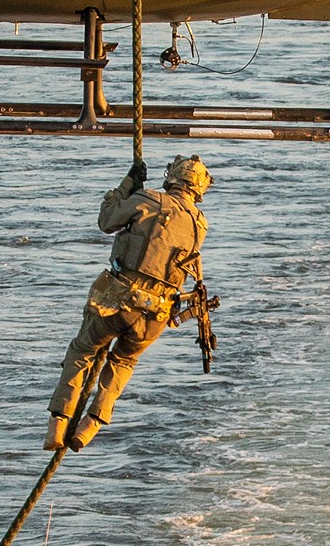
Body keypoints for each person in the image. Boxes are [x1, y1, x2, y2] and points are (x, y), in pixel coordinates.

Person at [46, 153, 212, 451]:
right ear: (199, 188)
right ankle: (91, 425)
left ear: (171, 177)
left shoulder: (147, 200)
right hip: (155, 315)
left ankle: (58, 423)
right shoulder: (200, 224)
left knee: (83, 350)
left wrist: (127, 185)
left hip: (118, 302)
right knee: (123, 361)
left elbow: (106, 221)